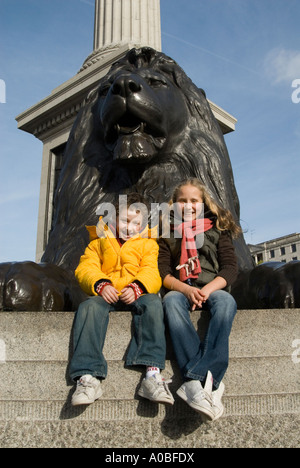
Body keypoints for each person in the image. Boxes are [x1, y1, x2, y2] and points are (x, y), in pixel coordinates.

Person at [69, 193, 174, 407]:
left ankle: (152, 373)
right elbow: (86, 268)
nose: (130, 227)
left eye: (137, 222)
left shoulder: (149, 244)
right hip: (106, 293)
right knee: (89, 307)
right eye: (125, 220)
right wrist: (100, 284)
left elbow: (152, 272)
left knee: (153, 304)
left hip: (136, 293)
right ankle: (87, 376)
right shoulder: (98, 241)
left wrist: (138, 287)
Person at [158, 178, 241, 421]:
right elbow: (163, 272)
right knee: (171, 302)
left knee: (226, 303)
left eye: (194, 200)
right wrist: (185, 290)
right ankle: (210, 384)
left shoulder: (217, 229)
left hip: (212, 287)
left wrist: (207, 290)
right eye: (182, 201)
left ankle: (196, 379)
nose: (188, 205)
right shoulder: (167, 232)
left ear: (203, 204)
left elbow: (230, 269)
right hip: (181, 287)